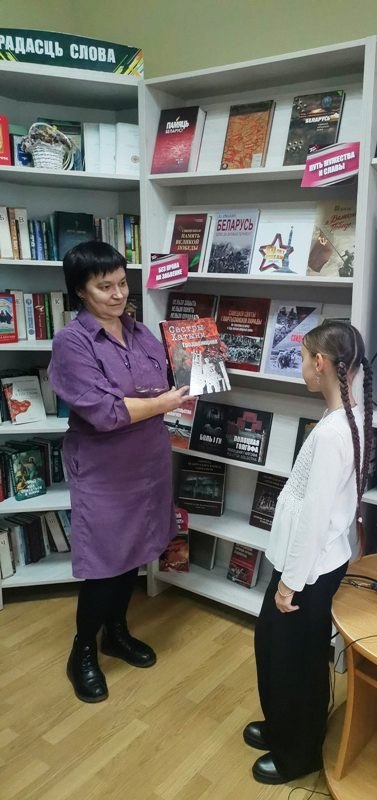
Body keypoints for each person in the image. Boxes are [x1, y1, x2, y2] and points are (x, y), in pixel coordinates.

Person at [48, 241, 190, 704]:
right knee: (106, 562)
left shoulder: (142, 332)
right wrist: (163, 403)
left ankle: (116, 632)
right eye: (103, 286)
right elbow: (105, 412)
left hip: (148, 462)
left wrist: (201, 361)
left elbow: (167, 378)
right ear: (80, 291)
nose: (117, 294)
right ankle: (82, 652)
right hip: (105, 469)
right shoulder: (72, 343)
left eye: (122, 283)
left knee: (137, 551)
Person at [245, 320, 373, 784]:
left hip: (307, 572)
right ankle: (282, 727)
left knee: (292, 663)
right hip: (305, 565)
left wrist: (289, 585)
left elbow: (316, 516)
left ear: (320, 364)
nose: (300, 366)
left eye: (301, 358)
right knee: (273, 648)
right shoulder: (345, 416)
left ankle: (298, 753)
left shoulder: (334, 433)